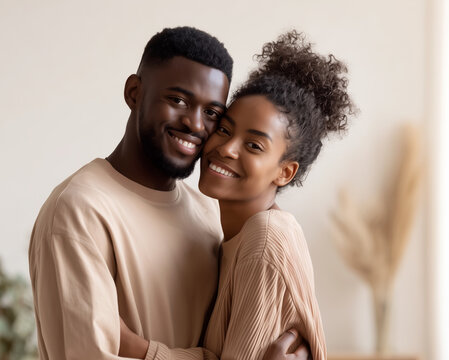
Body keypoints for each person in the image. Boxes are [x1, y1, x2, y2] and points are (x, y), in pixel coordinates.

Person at [28, 26, 309, 360]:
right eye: (178, 100)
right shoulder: (80, 211)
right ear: (134, 92)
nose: (194, 124)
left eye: (212, 113)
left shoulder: (208, 213)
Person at [118, 30, 356, 360]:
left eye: (254, 145)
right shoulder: (228, 237)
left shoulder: (266, 239)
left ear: (284, 171)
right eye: (226, 129)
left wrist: (139, 349)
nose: (226, 148)